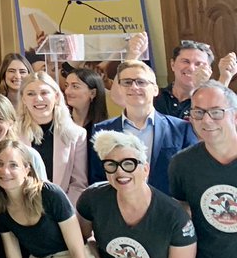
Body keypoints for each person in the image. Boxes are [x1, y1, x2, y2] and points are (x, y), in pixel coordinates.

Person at [168, 81, 237, 258]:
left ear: (234, 114)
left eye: (216, 112)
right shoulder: (182, 166)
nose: (206, 120)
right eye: (198, 113)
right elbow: (183, 225)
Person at [88, 60, 197, 190]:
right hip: (118, 206)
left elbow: (191, 175)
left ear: (155, 89)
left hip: (168, 206)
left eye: (141, 82)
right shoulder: (102, 131)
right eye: (127, 82)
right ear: (120, 89)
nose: (134, 87)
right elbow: (97, 179)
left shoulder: (182, 129)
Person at [16, 72, 89, 203]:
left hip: (62, 211)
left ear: (56, 97)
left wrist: (64, 214)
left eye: (44, 93)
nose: (38, 99)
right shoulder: (11, 134)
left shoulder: (77, 135)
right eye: (31, 94)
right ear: (23, 99)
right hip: (22, 209)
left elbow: (78, 185)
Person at [153, 40, 215, 120]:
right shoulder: (154, 96)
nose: (191, 68)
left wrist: (202, 87)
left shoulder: (211, 104)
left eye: (198, 64)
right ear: (172, 64)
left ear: (209, 70)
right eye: (186, 61)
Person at [65, 67, 109, 133]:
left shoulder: (105, 128)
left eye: (75, 86)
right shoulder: (60, 123)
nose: (67, 91)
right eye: (66, 85)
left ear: (92, 93)